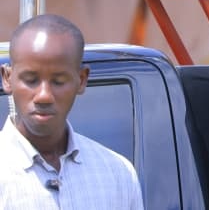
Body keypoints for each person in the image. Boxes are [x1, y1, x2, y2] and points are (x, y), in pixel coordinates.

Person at [0, 14, 144, 208]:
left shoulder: (117, 173)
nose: (44, 95)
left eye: (59, 81)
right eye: (31, 80)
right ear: (7, 78)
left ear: (82, 80)